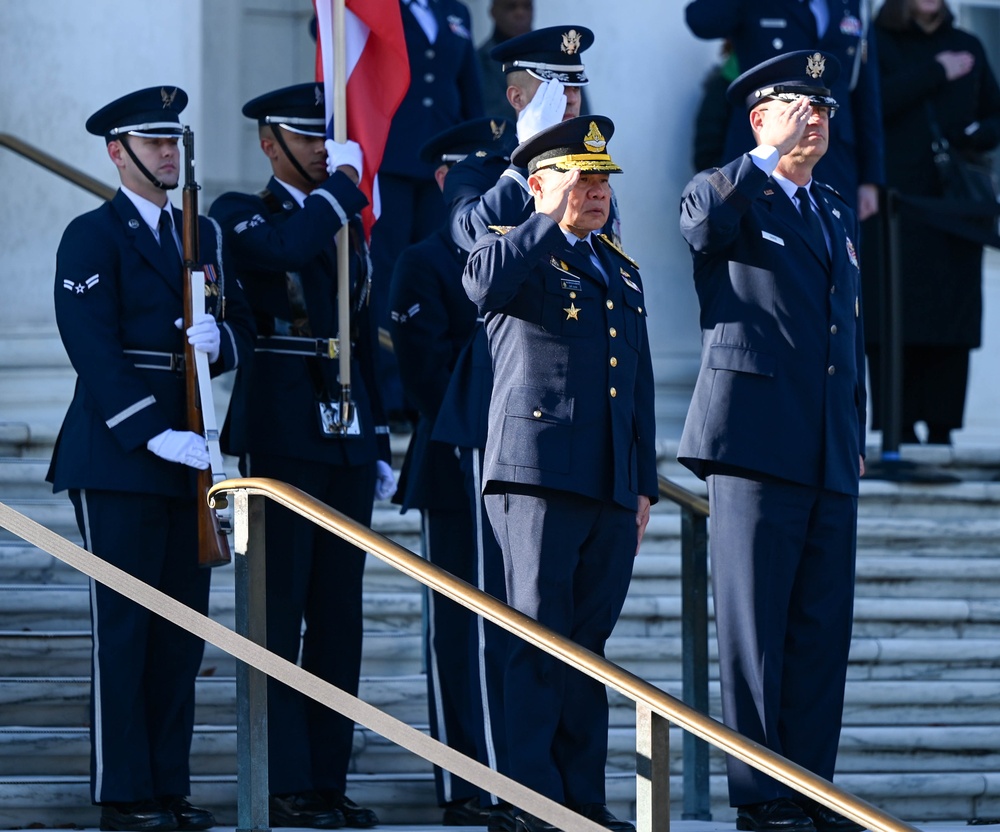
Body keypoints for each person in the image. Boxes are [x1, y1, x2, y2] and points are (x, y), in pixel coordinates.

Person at [47, 86, 254, 832]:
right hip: (117, 457)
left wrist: (221, 344)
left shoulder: (202, 235)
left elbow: (240, 327)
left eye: (173, 141)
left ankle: (168, 787)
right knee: (126, 631)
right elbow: (92, 347)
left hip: (190, 451)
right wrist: (147, 430)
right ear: (117, 151)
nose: (167, 153)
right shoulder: (91, 235)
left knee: (179, 635)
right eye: (151, 141)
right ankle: (123, 796)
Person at [677, 51, 866, 832]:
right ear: (760, 118)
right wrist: (757, 158)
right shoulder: (728, 188)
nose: (815, 119)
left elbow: (843, 335)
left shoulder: (831, 210)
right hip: (755, 444)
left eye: (823, 107)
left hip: (825, 446)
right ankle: (763, 798)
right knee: (755, 634)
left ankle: (812, 790)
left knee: (821, 631)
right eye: (798, 106)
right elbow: (700, 225)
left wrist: (856, 428)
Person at [463, 115, 658, 832]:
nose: (596, 189)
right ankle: (527, 799)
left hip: (607, 480)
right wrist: (544, 217)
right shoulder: (514, 251)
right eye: (581, 176)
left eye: (603, 177)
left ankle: (580, 798)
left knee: (588, 652)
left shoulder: (621, 267)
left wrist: (643, 483)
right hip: (537, 476)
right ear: (541, 184)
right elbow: (480, 285)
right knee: (537, 641)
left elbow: (633, 381)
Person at [209, 83, 394, 830]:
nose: (323, 149)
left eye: (328, 138)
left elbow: (363, 334)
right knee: (279, 609)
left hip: (344, 436)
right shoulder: (240, 212)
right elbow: (280, 250)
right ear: (269, 144)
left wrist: (379, 437)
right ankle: (283, 779)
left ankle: (325, 778)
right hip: (281, 432)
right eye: (306, 138)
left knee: (339, 614)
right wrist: (344, 190)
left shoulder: (344, 224)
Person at [388, 116, 516, 828]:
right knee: (463, 625)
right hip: (458, 459)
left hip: (518, 464)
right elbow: (427, 379)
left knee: (513, 622)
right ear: (446, 179)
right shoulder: (425, 261)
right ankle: (466, 782)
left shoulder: (520, 253)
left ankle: (514, 770)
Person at [862, 0, 1000, 445]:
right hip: (894, 203)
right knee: (892, 314)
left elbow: (995, 111)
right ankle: (897, 428)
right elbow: (870, 108)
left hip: (954, 208)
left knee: (951, 318)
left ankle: (942, 428)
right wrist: (936, 72)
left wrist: (974, 136)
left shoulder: (968, 45)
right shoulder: (876, 44)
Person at [370, 0, 484, 420]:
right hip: (390, 160)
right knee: (388, 276)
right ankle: (390, 390)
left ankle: (433, 385)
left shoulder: (454, 10)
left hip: (444, 166)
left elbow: (469, 87)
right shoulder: (375, 7)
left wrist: (481, 154)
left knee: (441, 272)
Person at [685, 0, 885, 221]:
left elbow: (865, 92)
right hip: (764, 157)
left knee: (833, 249)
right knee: (759, 249)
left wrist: (871, 177)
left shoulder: (852, 4)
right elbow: (701, 21)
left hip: (833, 158)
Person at [450, 25, 611, 253]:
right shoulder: (477, 169)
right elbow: (472, 235)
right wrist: (527, 156)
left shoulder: (592, 168)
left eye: (576, 87)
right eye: (557, 86)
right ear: (517, 97)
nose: (573, 98)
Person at [477, 0, 534, 120]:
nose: (520, 13)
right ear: (493, 12)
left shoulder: (555, 58)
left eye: (527, 6)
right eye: (511, 7)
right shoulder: (476, 62)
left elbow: (579, 114)